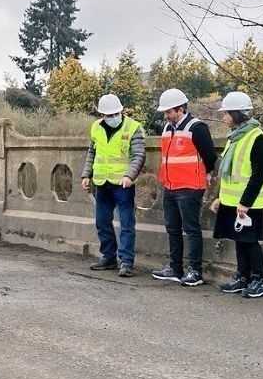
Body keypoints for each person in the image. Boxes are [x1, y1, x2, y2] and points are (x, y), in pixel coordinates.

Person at [151, 88, 217, 286]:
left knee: (191, 229)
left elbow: (210, 156)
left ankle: (195, 271)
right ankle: (175, 268)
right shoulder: (167, 128)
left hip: (190, 186)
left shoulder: (197, 127)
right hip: (170, 185)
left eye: (169, 112)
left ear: (180, 109)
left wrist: (207, 174)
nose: (166, 115)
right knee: (172, 228)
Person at [210, 92, 263, 298]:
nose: (223, 117)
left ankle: (260, 280)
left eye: (226, 112)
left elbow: (258, 175)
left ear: (237, 113)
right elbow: (227, 173)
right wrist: (219, 196)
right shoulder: (234, 137)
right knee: (239, 240)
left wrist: (245, 202)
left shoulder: (258, 139)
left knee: (250, 242)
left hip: (249, 204)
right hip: (231, 201)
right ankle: (242, 277)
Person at [81, 94, 146, 278]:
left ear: (121, 111)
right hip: (101, 182)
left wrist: (129, 175)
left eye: (115, 114)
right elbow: (92, 152)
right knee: (102, 222)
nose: (111, 118)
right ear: (102, 114)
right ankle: (108, 257)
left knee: (126, 224)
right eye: (107, 115)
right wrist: (87, 174)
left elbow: (139, 155)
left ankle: (126, 261)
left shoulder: (133, 127)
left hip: (123, 184)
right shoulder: (96, 127)